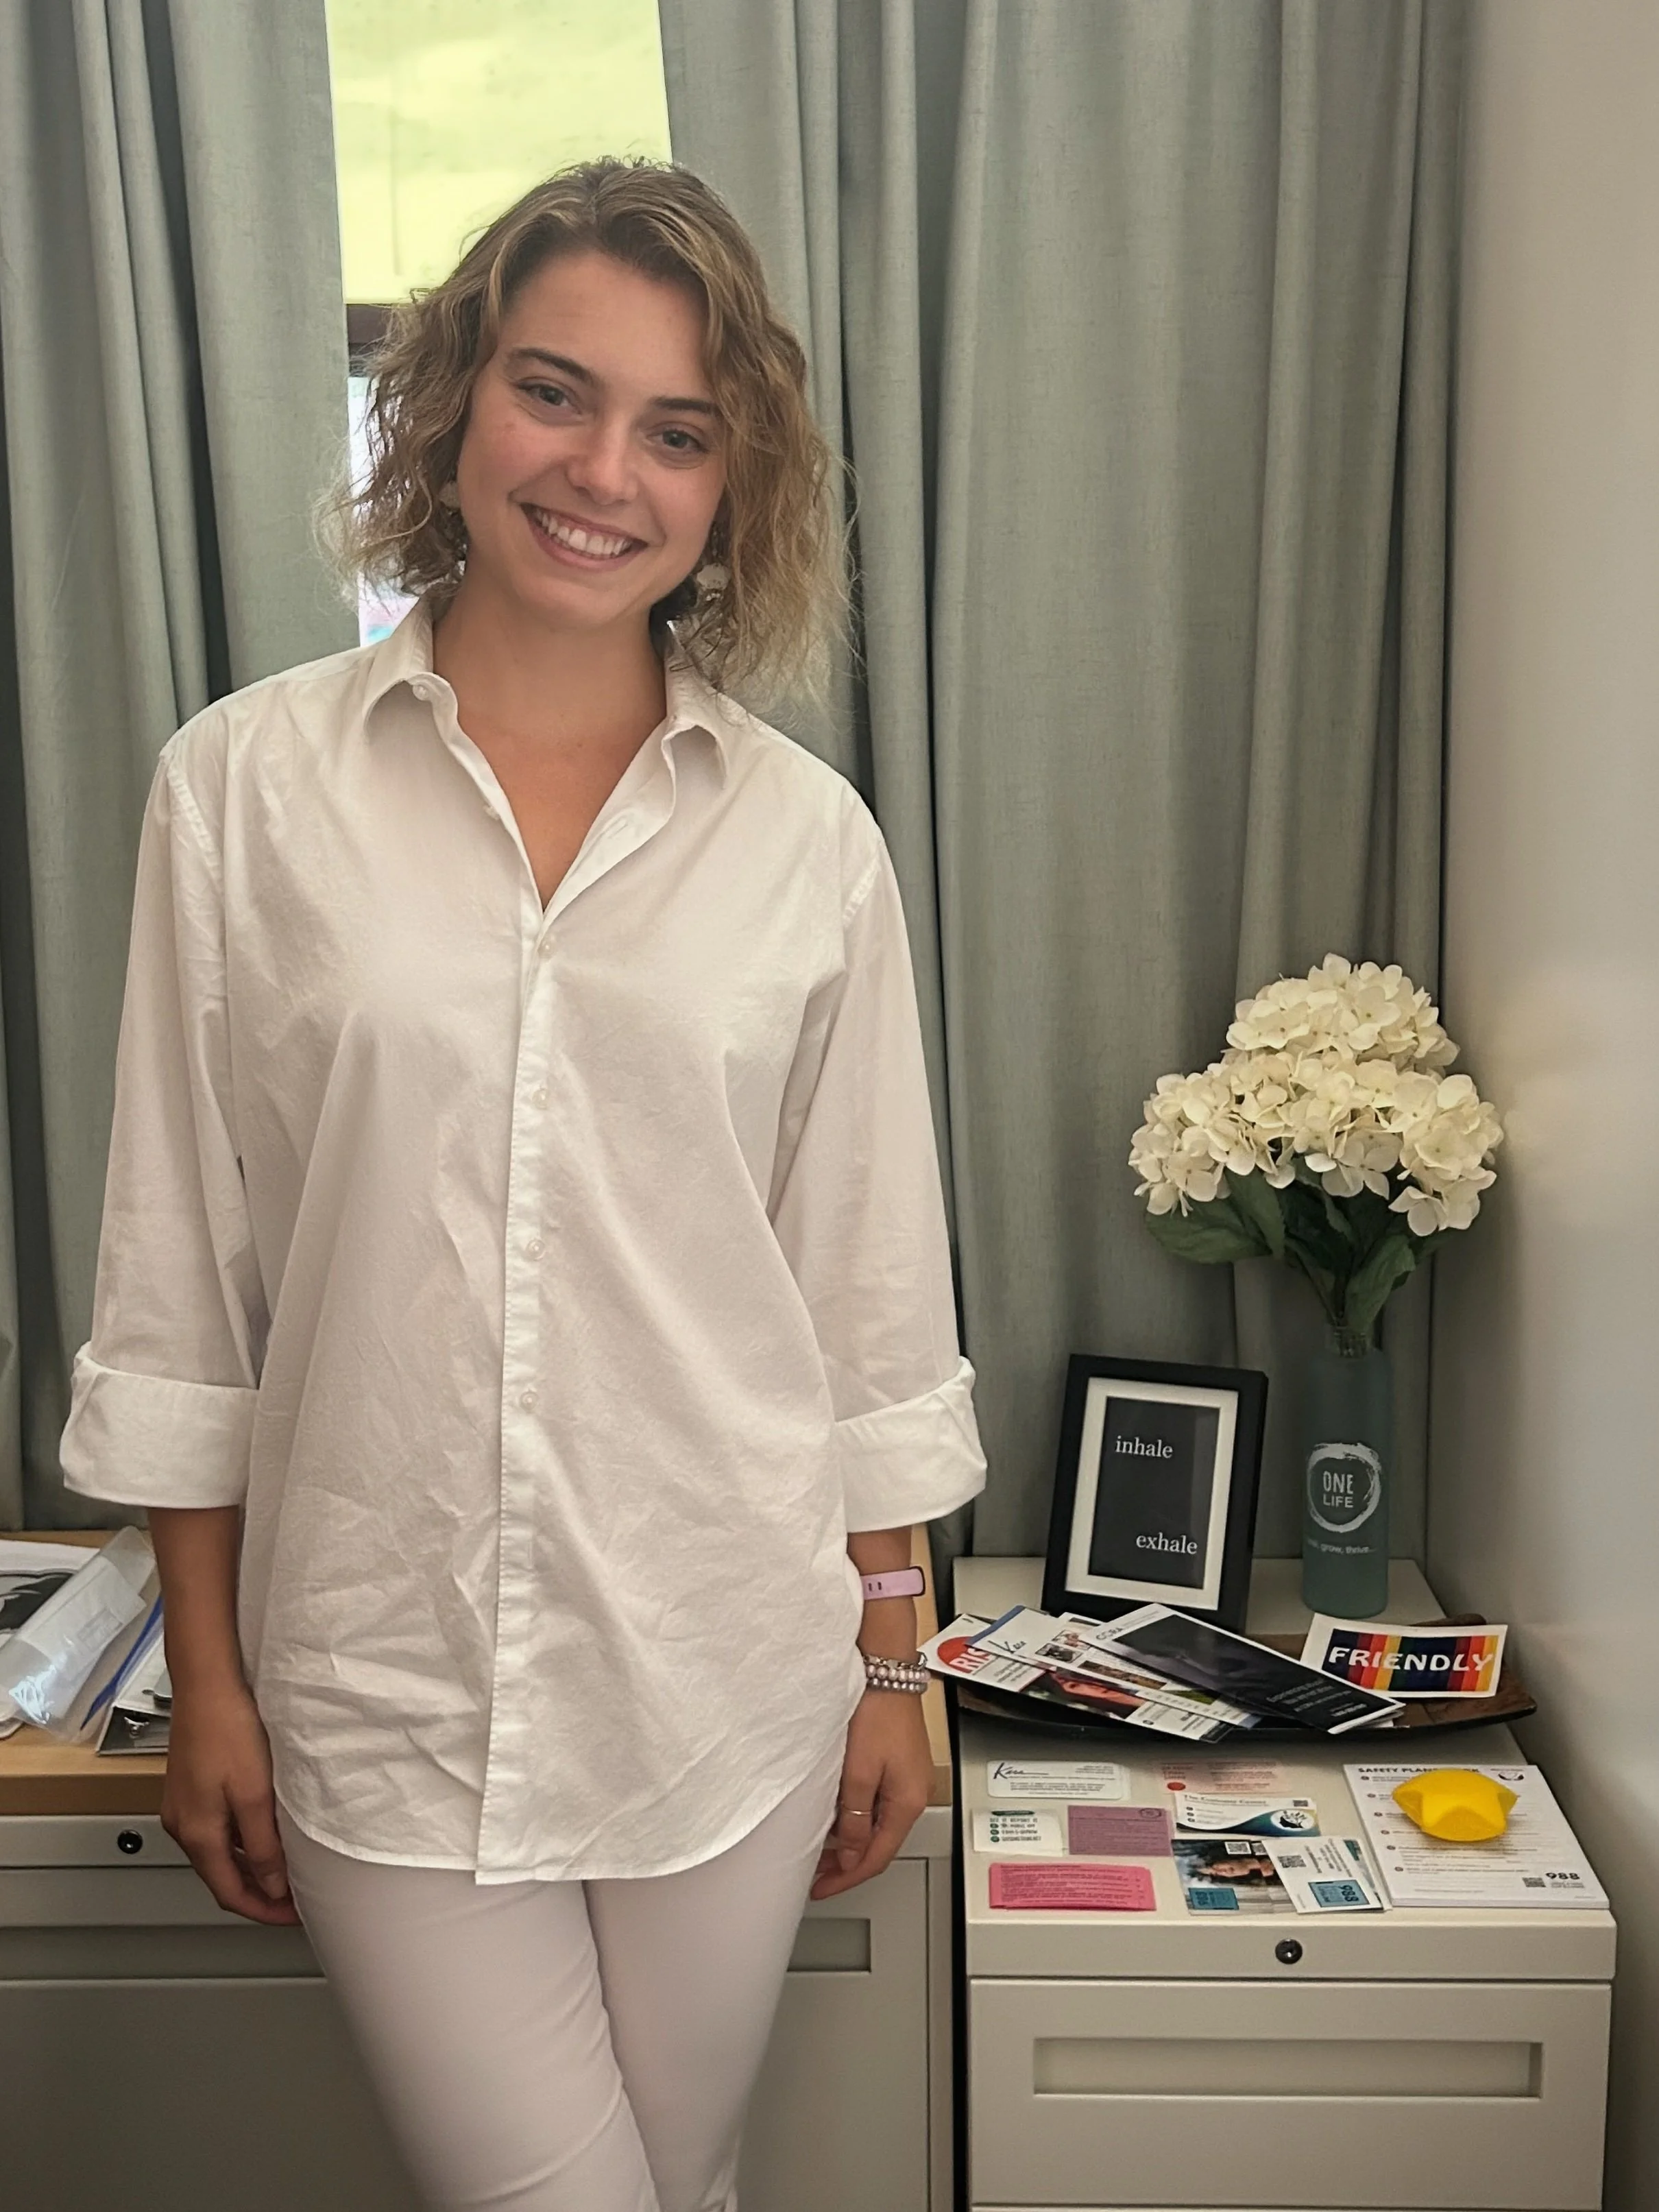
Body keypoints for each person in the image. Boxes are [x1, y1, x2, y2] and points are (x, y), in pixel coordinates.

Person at [61, 158, 984, 2212]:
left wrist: (890, 1663)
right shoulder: (241, 792)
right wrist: (206, 1682)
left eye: (677, 429)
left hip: (728, 1667)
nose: (603, 473)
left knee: (687, 2180)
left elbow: (862, 1298)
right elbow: (178, 1283)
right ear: (453, 400)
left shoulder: (804, 845)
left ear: (734, 483)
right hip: (381, 1679)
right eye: (553, 393)